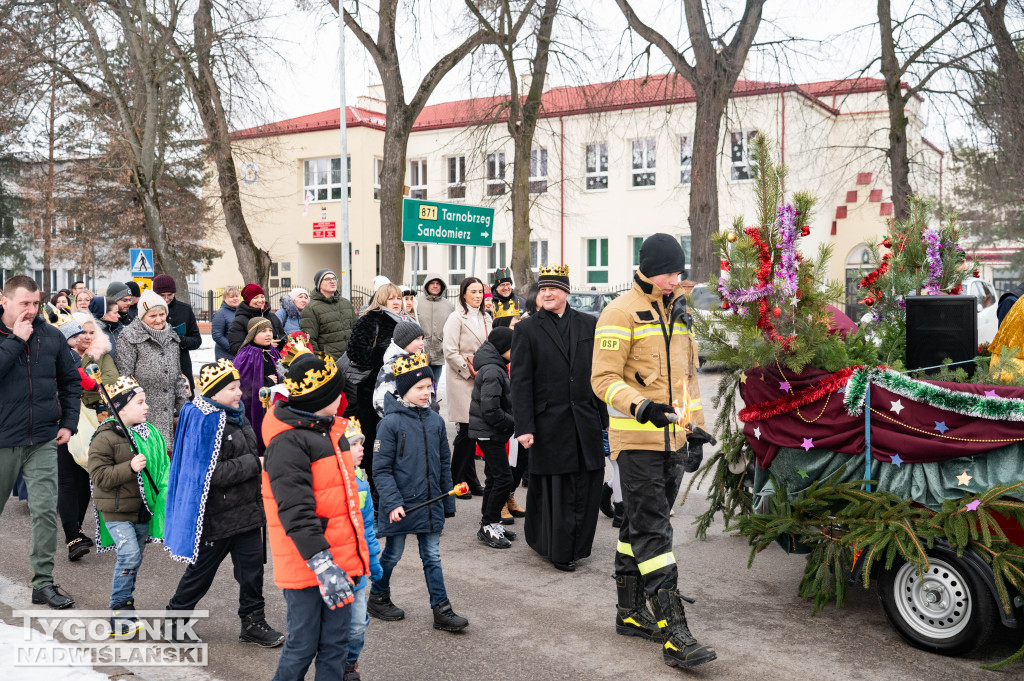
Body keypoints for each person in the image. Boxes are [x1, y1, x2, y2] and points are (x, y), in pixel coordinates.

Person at [591, 233, 716, 669]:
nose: (674, 280)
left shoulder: (678, 314)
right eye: (668, 272)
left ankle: (628, 612)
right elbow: (603, 380)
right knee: (655, 533)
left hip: (673, 442)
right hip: (637, 442)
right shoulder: (619, 312)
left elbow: (687, 381)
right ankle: (674, 633)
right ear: (647, 268)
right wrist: (641, 406)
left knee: (639, 527)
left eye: (678, 272)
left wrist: (694, 429)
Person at [163, 360, 285, 647]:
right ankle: (175, 621)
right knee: (201, 573)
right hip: (216, 515)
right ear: (214, 394)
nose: (239, 393)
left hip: (246, 511)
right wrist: (254, 464)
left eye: (238, 386)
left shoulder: (236, 416)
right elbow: (209, 473)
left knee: (252, 571)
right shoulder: (206, 421)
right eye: (231, 388)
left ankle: (253, 623)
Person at [262, 352, 368, 681]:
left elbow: (342, 502)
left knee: (335, 644)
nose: (342, 399)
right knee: (303, 644)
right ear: (320, 400)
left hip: (341, 560)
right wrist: (323, 564)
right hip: (308, 564)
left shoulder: (328, 431)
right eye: (336, 393)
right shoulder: (288, 443)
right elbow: (295, 510)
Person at [510, 265, 606, 573]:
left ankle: (579, 545)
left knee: (588, 484)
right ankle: (558, 549)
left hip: (585, 420)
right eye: (543, 289)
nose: (547, 293)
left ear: (566, 291)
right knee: (559, 488)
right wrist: (523, 426)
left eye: (553, 288)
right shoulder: (527, 329)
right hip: (549, 422)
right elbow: (520, 382)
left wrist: (604, 418)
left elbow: (599, 373)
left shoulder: (589, 323)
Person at [368, 354, 468, 632]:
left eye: (429, 387)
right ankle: (378, 596)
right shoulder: (388, 424)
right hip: (401, 505)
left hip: (431, 501)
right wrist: (392, 502)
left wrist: (447, 502)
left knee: (432, 555)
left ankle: (442, 609)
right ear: (403, 390)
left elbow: (443, 465)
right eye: (419, 388)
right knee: (393, 554)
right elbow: (381, 470)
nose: (426, 393)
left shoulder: (436, 421)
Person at [0, 275, 81, 609]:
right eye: (24, 303)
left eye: (36, 303)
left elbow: (70, 381)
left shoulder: (50, 336)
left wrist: (69, 423)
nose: (32, 310)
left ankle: (43, 583)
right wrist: (16, 340)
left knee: (46, 511)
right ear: (4, 301)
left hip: (42, 440)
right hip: (2, 442)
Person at [88, 376, 169, 637]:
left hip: (141, 509)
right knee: (129, 555)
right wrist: (130, 467)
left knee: (134, 560)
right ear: (122, 408)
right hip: (115, 509)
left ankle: (127, 603)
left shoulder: (150, 433)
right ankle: (117, 610)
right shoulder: (105, 437)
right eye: (140, 402)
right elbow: (99, 476)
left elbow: (162, 468)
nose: (147, 407)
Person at [347, 283, 405, 497]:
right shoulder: (370, 320)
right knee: (376, 441)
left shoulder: (406, 321)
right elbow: (355, 351)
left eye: (398, 298)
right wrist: (385, 359)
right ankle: (377, 491)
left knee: (398, 441)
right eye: (391, 299)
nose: (397, 302)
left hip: (401, 390)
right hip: (372, 391)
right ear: (381, 301)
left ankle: (396, 489)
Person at [116, 290, 190, 449]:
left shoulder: (171, 337)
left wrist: (185, 409)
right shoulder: (129, 337)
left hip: (167, 414)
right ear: (142, 317)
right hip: (142, 413)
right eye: (152, 316)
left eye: (162, 314)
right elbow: (125, 378)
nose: (159, 320)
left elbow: (177, 377)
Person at [469, 327, 518, 549]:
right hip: (489, 433)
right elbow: (490, 410)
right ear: (503, 348)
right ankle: (488, 523)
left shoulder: (495, 366)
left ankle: (490, 522)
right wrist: (512, 422)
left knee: (493, 478)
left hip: (491, 432)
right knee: (504, 479)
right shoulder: (492, 370)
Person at [442, 277, 491, 498]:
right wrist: (468, 370)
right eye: (473, 292)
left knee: (474, 431)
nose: (478, 295)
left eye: (480, 291)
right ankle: (456, 479)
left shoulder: (485, 317)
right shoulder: (455, 318)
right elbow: (450, 351)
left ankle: (469, 478)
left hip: (482, 378)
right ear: (463, 294)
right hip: (462, 379)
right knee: (468, 431)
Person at [344, 418, 383, 681]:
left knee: (358, 625)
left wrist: (374, 559)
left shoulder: (363, 484)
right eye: (353, 445)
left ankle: (350, 662)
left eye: (361, 444)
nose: (360, 449)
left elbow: (368, 526)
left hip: (358, 568)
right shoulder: (335, 481)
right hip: (337, 565)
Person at [233, 317, 283, 454]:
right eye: (263, 331)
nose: (268, 334)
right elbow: (242, 383)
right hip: (257, 405)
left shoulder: (273, 351)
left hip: (275, 402)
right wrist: (266, 381)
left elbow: (283, 372)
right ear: (253, 334)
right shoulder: (246, 354)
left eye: (270, 330)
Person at [153, 274, 202, 393]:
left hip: (182, 366)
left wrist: (179, 339)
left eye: (169, 295)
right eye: (162, 296)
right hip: (156, 368)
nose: (166, 299)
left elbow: (196, 340)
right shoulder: (148, 311)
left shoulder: (185, 310)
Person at [372, 320, 428, 418]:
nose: (422, 343)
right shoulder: (392, 366)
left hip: (421, 419)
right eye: (417, 339)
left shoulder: (419, 360)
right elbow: (380, 400)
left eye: (422, 339)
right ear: (405, 341)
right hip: (401, 421)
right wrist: (397, 419)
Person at [300, 269, 357, 360]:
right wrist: (321, 361)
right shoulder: (311, 308)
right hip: (329, 363)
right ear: (319, 285)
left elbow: (356, 330)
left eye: (334, 278)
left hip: (351, 360)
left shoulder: (346, 303)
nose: (332, 281)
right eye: (327, 279)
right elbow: (309, 340)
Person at [228, 284, 285, 355]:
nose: (260, 300)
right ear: (248, 300)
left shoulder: (272, 317)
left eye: (262, 297)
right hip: (254, 364)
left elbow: (282, 336)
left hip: (275, 361)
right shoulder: (239, 321)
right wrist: (264, 345)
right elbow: (236, 348)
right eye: (255, 297)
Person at [414, 273, 453, 377]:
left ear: (442, 286)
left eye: (438, 284)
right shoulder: (416, 303)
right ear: (426, 285)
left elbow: (452, 330)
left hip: (438, 354)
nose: (435, 286)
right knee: (419, 385)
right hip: (419, 353)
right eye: (432, 283)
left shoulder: (449, 306)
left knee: (434, 385)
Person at [213, 286, 241, 360]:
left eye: (237, 296)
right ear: (225, 299)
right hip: (226, 356)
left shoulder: (241, 312)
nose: (235, 298)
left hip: (241, 355)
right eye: (231, 297)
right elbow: (217, 336)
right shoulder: (221, 313)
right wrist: (233, 348)